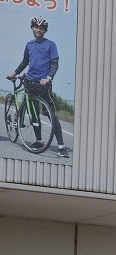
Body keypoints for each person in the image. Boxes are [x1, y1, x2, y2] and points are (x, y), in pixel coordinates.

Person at [5, 16, 70, 158]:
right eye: (35, 27)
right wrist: (14, 73)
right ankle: (39, 141)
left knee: (52, 115)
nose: (38, 30)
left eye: (41, 28)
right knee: (34, 113)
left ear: (45, 30)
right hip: (30, 83)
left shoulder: (50, 44)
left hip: (43, 84)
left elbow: (55, 64)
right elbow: (25, 62)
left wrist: (48, 78)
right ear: (32, 27)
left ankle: (61, 146)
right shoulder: (29, 45)